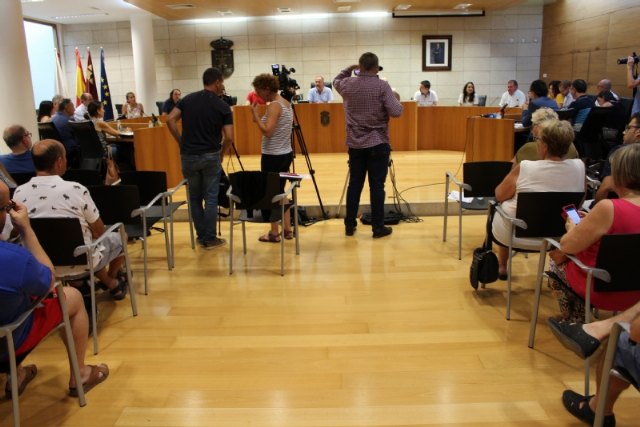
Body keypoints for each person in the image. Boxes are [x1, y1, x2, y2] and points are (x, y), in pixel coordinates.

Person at [0, 180, 109, 398]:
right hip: (7, 345)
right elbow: (48, 281)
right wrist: (26, 229)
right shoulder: (13, 259)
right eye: (5, 207)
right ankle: (80, 374)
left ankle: (17, 374)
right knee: (72, 296)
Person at [13, 139, 128, 300]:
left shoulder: (19, 193)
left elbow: (17, 231)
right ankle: (112, 280)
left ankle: (86, 284)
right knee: (119, 236)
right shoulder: (76, 189)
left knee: (84, 244)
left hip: (39, 265)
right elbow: (99, 232)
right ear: (59, 161)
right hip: (81, 264)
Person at [546, 143, 640, 323]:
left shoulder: (608, 208)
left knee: (556, 262)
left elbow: (567, 245)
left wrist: (572, 226)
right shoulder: (610, 210)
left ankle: (575, 320)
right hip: (636, 296)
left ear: (620, 174)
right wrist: (591, 220)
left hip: (601, 291)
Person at [492, 119, 585, 279]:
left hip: (515, 235)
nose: (536, 143)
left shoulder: (525, 167)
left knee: (504, 205)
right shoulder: (579, 167)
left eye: (538, 139)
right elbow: (579, 202)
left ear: (545, 146)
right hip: (558, 237)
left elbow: (499, 194)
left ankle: (502, 266)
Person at [333, 52, 403, 238]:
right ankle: (378, 228)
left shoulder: (348, 84)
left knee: (355, 185)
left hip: (355, 144)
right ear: (376, 67)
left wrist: (350, 68)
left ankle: (349, 225)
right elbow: (396, 112)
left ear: (360, 67)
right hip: (378, 143)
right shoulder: (382, 86)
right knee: (377, 187)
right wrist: (395, 98)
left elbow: (336, 80)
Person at [167, 67, 233, 249]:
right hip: (211, 156)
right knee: (211, 198)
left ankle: (201, 235)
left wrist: (180, 141)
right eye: (222, 83)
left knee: (194, 198)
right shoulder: (222, 106)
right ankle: (210, 239)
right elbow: (229, 137)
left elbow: (170, 119)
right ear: (217, 82)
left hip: (188, 156)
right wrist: (221, 154)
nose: (222, 86)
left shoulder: (187, 100)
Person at [250, 73, 295, 242]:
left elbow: (267, 132)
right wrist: (256, 115)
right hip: (284, 154)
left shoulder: (274, 106)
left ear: (267, 89)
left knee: (270, 194)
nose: (257, 94)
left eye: (258, 91)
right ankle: (288, 229)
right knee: (280, 191)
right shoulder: (285, 103)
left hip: (273, 156)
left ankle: (274, 233)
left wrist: (255, 115)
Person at [595, 113, 640, 202]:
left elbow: (606, 187)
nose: (624, 132)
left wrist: (597, 208)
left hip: (616, 206)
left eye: (628, 128)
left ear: (638, 132)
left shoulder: (620, 152)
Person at [513, 108, 579, 164]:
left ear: (536, 127)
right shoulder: (572, 147)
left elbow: (512, 168)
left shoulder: (527, 149)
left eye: (533, 125)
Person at [51, 98, 79, 167]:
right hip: (70, 151)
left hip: (57, 150)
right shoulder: (68, 121)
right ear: (67, 108)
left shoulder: (53, 119)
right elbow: (78, 137)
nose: (74, 109)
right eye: (72, 107)